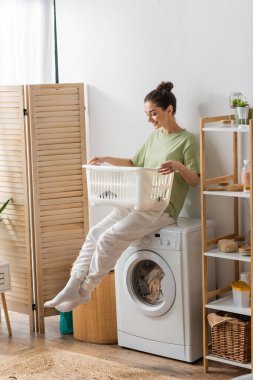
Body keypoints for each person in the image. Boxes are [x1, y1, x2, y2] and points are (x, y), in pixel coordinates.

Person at [44, 81, 200, 312]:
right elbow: (134, 162)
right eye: (147, 114)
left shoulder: (188, 140)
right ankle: (72, 284)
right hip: (139, 201)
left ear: (169, 110)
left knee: (109, 237)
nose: (150, 120)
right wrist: (106, 158)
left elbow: (195, 180)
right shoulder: (155, 137)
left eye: (154, 114)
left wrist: (178, 166)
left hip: (163, 208)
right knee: (96, 232)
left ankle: (86, 289)